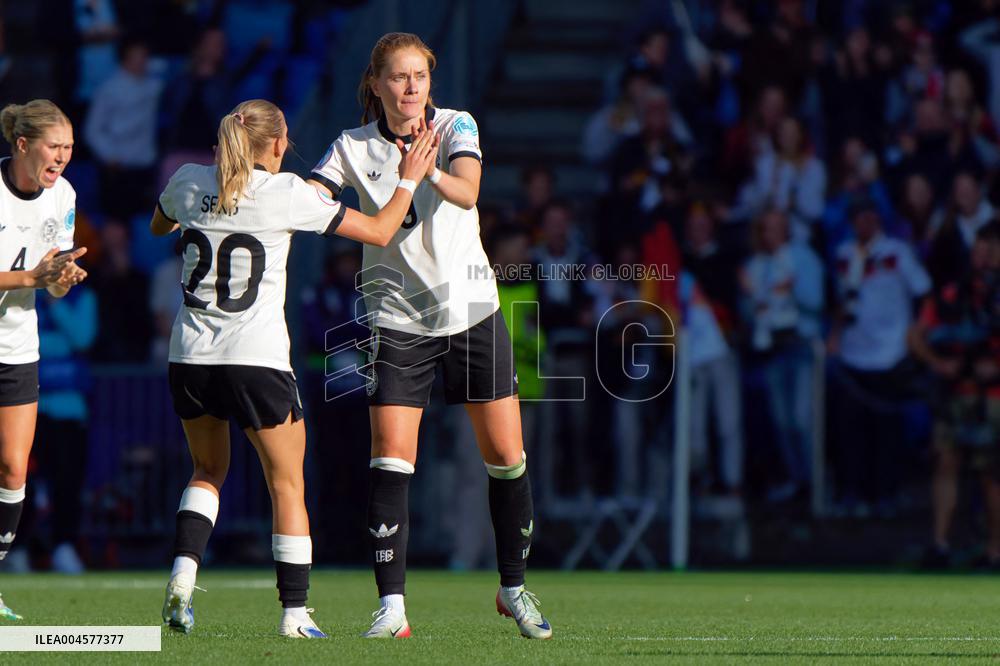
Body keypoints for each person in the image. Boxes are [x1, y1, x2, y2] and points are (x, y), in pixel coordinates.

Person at [152, 98, 437, 638]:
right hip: (257, 358)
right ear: (279, 145)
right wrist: (409, 179)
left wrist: (208, 205)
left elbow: (159, 224)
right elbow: (379, 232)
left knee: (207, 471)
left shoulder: (187, 178)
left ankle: (182, 578)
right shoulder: (286, 192)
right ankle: (294, 613)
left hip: (190, 356)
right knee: (286, 486)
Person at [309, 32, 552, 640]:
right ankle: (392, 607)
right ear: (376, 84)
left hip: (471, 312)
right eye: (399, 76)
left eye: (420, 76)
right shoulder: (352, 145)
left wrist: (424, 172)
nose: (412, 87)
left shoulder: (455, 125)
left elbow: (469, 190)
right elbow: (314, 197)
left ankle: (513, 588)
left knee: (506, 458)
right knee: (391, 460)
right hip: (398, 321)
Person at [0, 100, 88, 619]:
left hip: (16, 347)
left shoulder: (65, 195)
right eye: (54, 147)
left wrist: (58, 279)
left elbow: (50, 284)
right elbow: (28, 274)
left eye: (69, 149)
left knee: (14, 469)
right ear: (23, 145)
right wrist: (33, 278)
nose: (62, 158)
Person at [909, 223, 1000, 568]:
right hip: (957, 392)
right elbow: (916, 335)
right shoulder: (954, 293)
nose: (982, 257)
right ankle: (940, 545)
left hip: (994, 395)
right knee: (946, 462)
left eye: (988, 249)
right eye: (977, 250)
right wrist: (939, 363)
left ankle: (995, 550)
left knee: (992, 473)